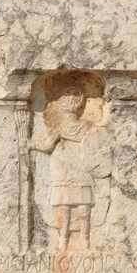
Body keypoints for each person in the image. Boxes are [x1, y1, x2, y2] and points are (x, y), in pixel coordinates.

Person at [29, 85, 105, 250]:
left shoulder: (60, 127)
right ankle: (82, 240)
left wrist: (28, 143)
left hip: (69, 170)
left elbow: (45, 145)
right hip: (73, 171)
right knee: (81, 207)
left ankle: (65, 240)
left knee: (66, 208)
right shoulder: (88, 127)